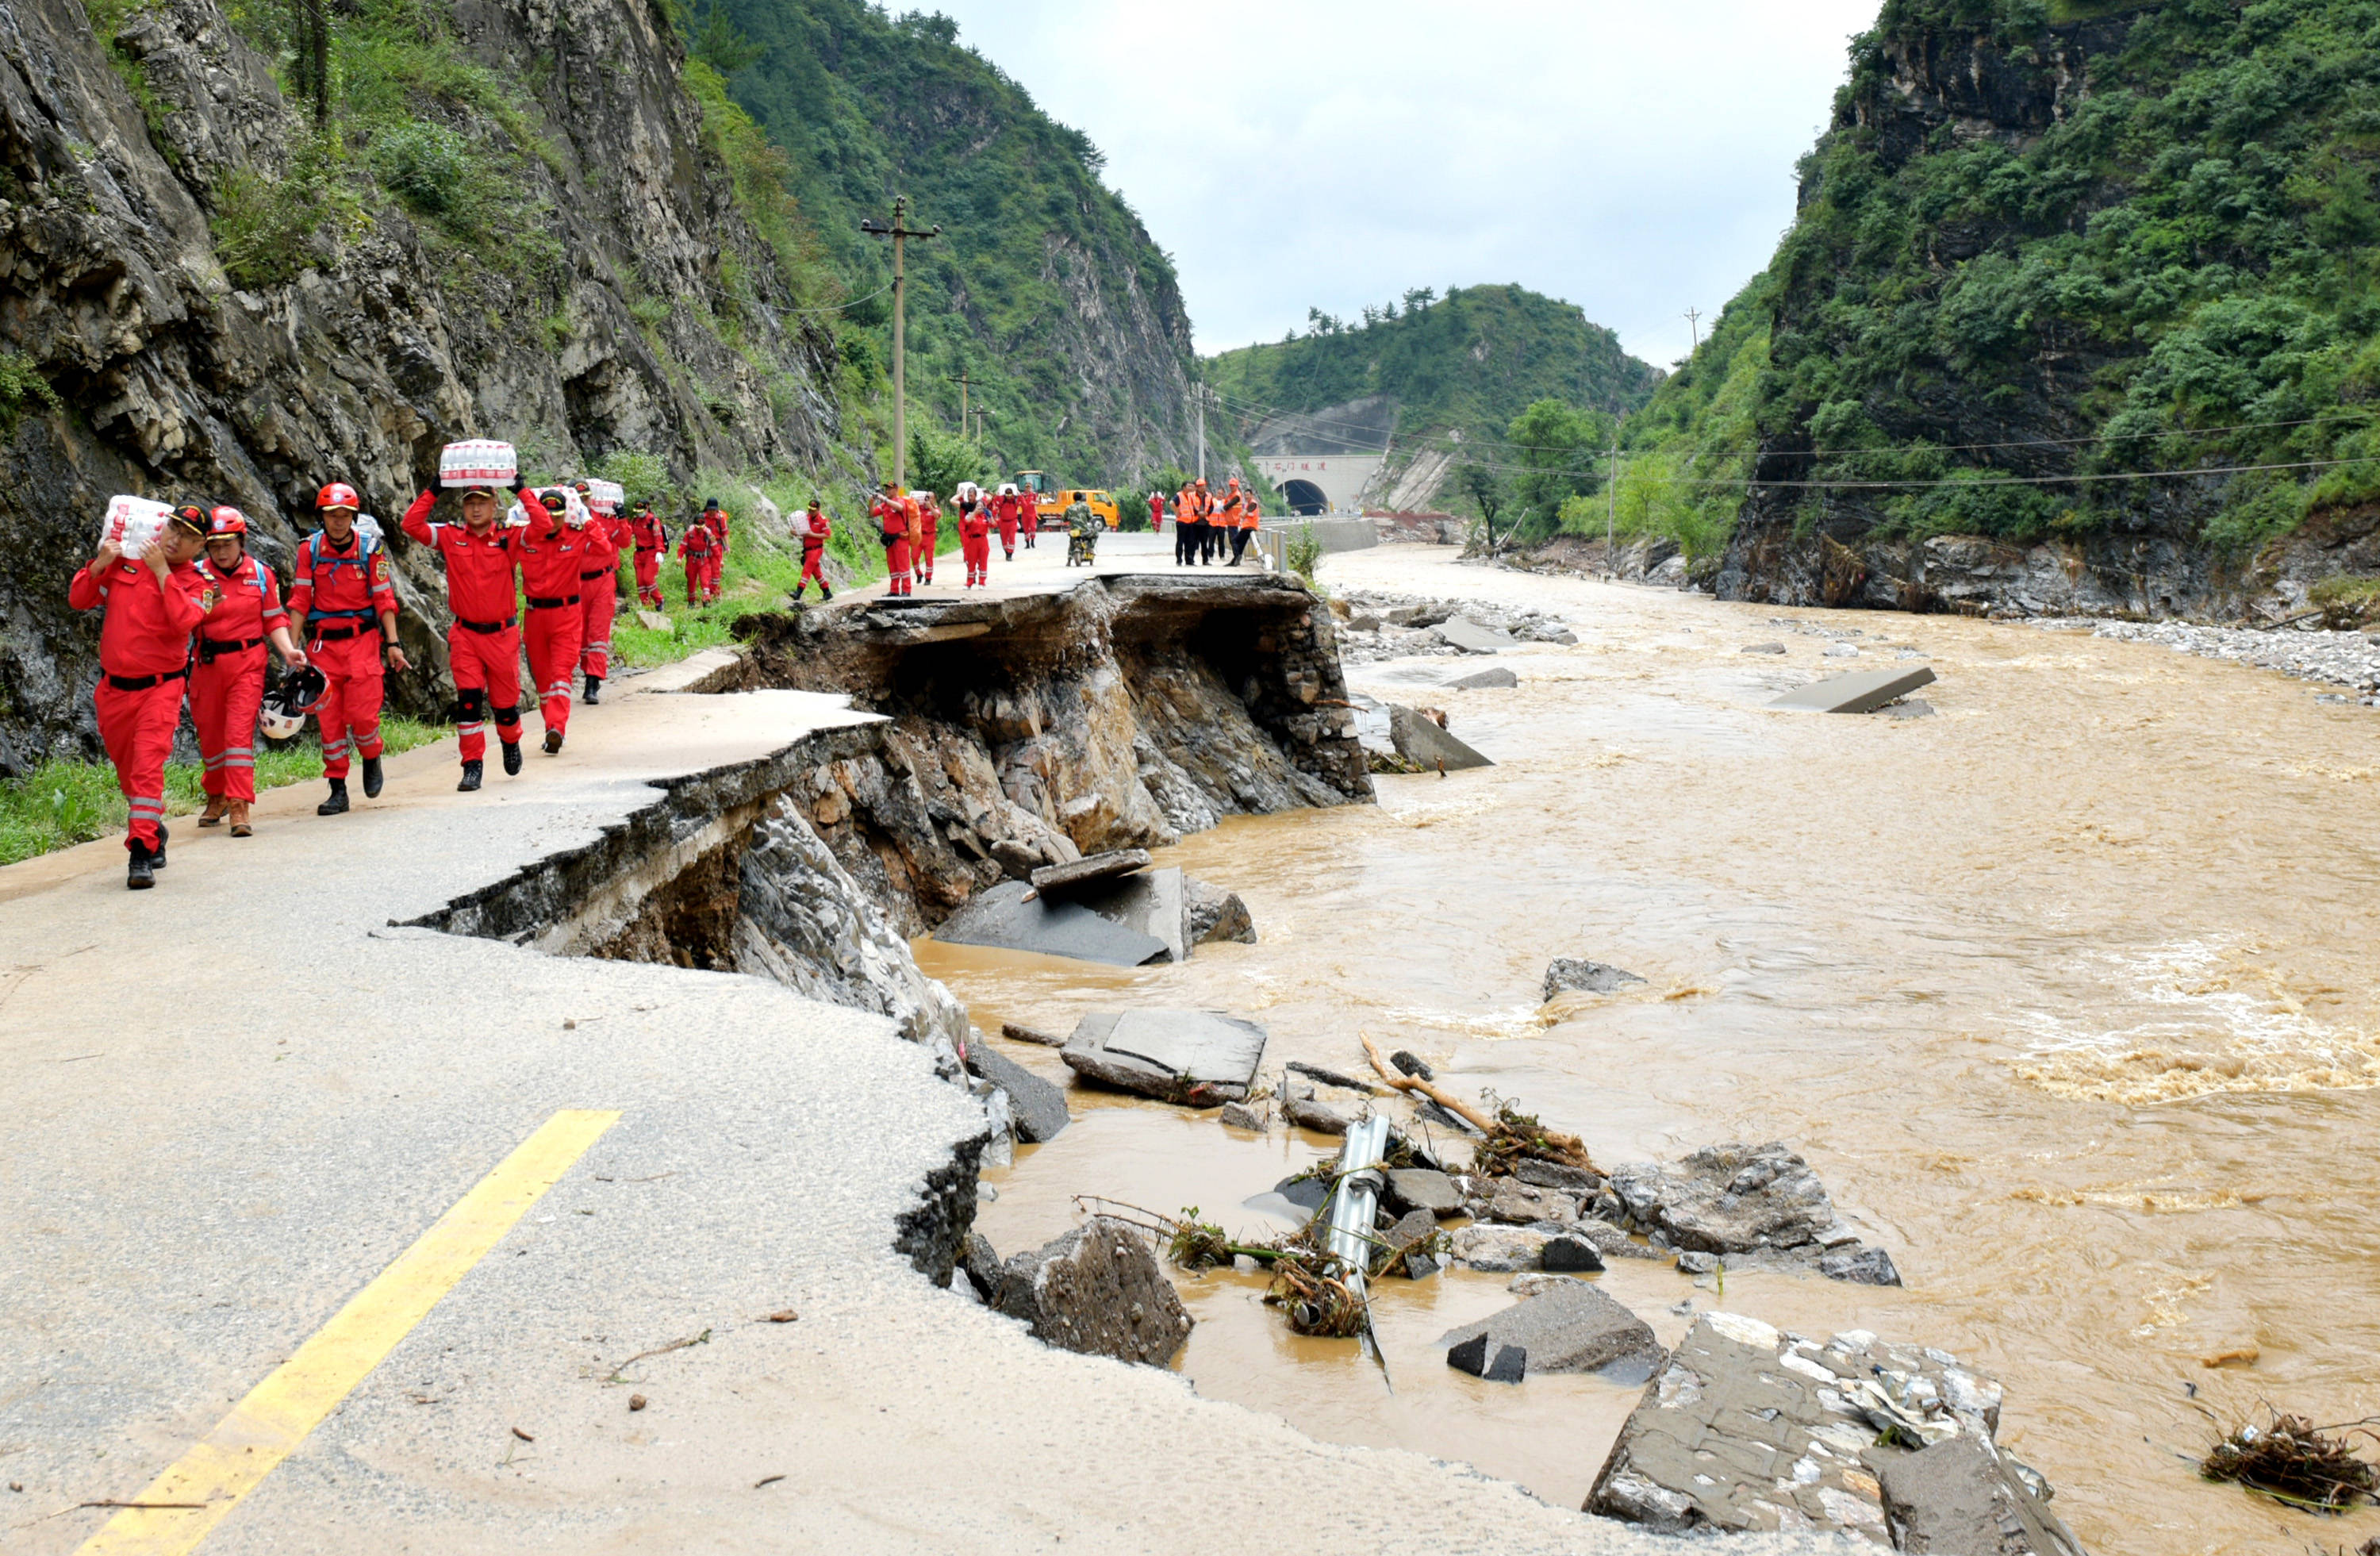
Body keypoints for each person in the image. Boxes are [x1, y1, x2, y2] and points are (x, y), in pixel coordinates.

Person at [68, 504, 214, 888]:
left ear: (199, 546)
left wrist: (163, 573)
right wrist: (99, 564)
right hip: (114, 689)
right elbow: (80, 599)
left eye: (186, 536)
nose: (174, 538)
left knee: (148, 766)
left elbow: (186, 620)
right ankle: (154, 830)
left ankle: (140, 852)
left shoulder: (199, 584)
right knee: (127, 770)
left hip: (160, 688)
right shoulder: (126, 564)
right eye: (173, 528)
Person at [401, 479, 542, 790]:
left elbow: (543, 525)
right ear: (463, 507)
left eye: (482, 502)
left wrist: (519, 488)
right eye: (469, 502)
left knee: (505, 706)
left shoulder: (509, 536)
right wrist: (434, 489)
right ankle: (472, 766)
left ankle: (510, 741)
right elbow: (411, 524)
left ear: (494, 505)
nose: (475, 508)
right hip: (465, 635)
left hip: (502, 636)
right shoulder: (451, 536)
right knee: (468, 701)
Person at [290, 482, 406, 816]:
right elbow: (300, 600)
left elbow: (385, 599)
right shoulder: (309, 551)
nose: (338, 521)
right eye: (331, 515)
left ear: (353, 517)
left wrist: (393, 644)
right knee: (329, 722)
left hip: (362, 642)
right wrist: (293, 648)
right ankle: (337, 789)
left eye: (344, 515)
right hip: (323, 645)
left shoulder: (371, 550)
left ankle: (371, 757)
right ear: (322, 517)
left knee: (362, 716)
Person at [191, 506, 305, 834]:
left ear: (242, 542)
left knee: (238, 736)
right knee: (211, 737)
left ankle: (240, 806)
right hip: (207, 664)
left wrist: (288, 652)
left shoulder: (261, 573)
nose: (222, 551)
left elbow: (274, 619)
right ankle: (217, 794)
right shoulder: (196, 574)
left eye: (228, 543)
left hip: (247, 664)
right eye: (214, 545)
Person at [515, 489, 589, 753]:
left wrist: (588, 520)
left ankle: (557, 726)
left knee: (560, 674)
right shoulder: (525, 539)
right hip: (535, 616)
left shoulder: (577, 536)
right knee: (545, 680)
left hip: (566, 616)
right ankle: (552, 728)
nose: (553, 521)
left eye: (558, 516)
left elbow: (605, 548)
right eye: (548, 516)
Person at [574, 482, 624, 705]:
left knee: (598, 633)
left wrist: (622, 518)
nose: (584, 501)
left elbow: (623, 540)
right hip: (576, 583)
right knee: (581, 633)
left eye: (586, 497)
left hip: (603, 581)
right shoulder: (567, 521)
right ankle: (587, 673)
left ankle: (592, 682)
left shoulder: (604, 518)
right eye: (579, 497)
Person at [870, 480, 913, 596]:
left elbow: (900, 508)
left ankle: (906, 590)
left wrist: (884, 499)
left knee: (903, 565)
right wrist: (872, 502)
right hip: (890, 540)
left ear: (896, 490)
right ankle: (894, 590)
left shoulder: (900, 501)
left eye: (890, 489)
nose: (888, 491)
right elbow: (872, 513)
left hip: (900, 539)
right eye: (887, 489)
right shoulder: (885, 505)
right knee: (893, 566)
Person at [791, 497, 834, 601]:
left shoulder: (823, 521)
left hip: (816, 550)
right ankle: (827, 592)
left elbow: (827, 535)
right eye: (809, 510)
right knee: (817, 572)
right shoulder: (807, 518)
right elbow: (803, 532)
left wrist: (812, 534)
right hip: (807, 550)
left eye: (813, 511)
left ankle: (798, 592)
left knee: (807, 570)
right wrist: (795, 532)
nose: (811, 512)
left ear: (819, 510)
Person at [628, 502, 667, 609]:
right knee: (640, 581)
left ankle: (659, 600)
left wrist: (659, 551)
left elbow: (658, 536)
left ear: (647, 508)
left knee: (648, 579)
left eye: (641, 512)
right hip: (639, 554)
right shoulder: (635, 521)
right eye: (637, 512)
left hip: (651, 553)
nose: (639, 514)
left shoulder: (653, 521)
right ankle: (646, 605)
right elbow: (628, 532)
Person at [676, 517, 716, 608]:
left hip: (704, 560)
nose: (700, 528)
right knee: (691, 581)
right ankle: (691, 602)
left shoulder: (709, 534)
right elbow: (683, 546)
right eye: (698, 526)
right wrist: (679, 558)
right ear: (694, 525)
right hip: (692, 560)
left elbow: (714, 547)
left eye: (701, 526)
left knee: (705, 581)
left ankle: (706, 600)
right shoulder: (689, 534)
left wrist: (719, 560)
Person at [957, 489, 992, 587]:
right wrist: (975, 513)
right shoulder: (971, 515)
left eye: (981, 507)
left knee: (983, 562)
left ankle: (982, 582)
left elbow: (993, 525)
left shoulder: (985, 516)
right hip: (973, 540)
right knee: (971, 562)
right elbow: (967, 521)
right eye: (978, 506)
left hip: (983, 540)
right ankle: (970, 582)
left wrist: (991, 516)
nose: (979, 508)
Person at [699, 498, 729, 603]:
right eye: (710, 509)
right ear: (707, 508)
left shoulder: (720, 519)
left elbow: (725, 533)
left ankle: (716, 591)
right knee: (706, 571)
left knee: (716, 572)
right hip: (705, 547)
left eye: (714, 510)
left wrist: (727, 547)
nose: (712, 512)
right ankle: (708, 594)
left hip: (717, 547)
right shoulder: (701, 518)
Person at [911, 488, 940, 586]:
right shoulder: (919, 508)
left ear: (934, 499)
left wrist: (930, 506)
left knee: (929, 558)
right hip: (918, 536)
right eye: (927, 498)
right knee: (914, 556)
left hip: (929, 536)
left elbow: (937, 516)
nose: (929, 500)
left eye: (931, 498)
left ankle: (928, 577)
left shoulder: (935, 509)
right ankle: (918, 574)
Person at [1063, 491, 1098, 567]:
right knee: (1096, 534)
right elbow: (1090, 518)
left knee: (1072, 542)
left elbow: (1064, 519)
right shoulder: (1086, 506)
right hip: (1084, 531)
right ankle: (1090, 548)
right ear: (1082, 498)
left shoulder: (1069, 508)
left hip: (1074, 531)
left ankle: (1069, 560)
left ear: (1074, 498)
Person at [1231, 486, 1260, 566]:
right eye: (1245, 495)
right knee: (1241, 545)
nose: (1246, 497)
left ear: (1252, 495)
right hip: (1246, 526)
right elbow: (1243, 514)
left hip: (1249, 527)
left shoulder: (1253, 503)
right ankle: (1235, 561)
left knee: (1234, 540)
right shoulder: (1248, 504)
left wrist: (1243, 514)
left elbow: (1245, 514)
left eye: (1248, 495)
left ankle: (1237, 556)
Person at [992, 483, 1022, 561]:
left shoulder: (1015, 500)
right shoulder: (1002, 500)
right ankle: (1007, 552)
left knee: (1012, 538)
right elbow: (995, 502)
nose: (1009, 495)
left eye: (1010, 494)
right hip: (1003, 522)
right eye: (1007, 494)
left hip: (1013, 521)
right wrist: (997, 494)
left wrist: (1020, 495)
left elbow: (1023, 503)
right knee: (1004, 539)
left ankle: (1010, 554)